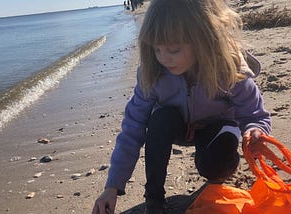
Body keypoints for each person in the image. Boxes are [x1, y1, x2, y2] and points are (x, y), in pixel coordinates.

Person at [92, 0, 271, 213]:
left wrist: (255, 131)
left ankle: (215, 181)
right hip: (174, 128)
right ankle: (154, 199)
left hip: (216, 128)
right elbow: (133, 127)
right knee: (160, 118)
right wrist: (112, 186)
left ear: (202, 38)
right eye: (157, 49)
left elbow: (254, 113)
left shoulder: (227, 69)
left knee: (217, 160)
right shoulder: (153, 73)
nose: (164, 58)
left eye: (173, 50)